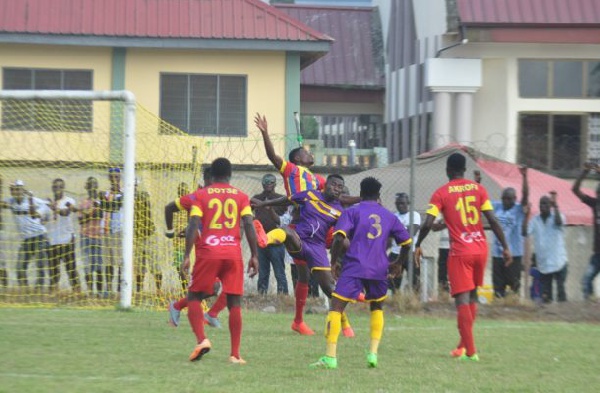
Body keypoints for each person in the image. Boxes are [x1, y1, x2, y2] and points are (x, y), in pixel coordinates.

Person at [414, 153, 511, 361]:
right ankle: (461, 346)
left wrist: (418, 243)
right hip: (480, 249)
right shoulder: (479, 189)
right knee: (472, 296)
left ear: (448, 170)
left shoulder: (441, 193)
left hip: (460, 252)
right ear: (464, 170)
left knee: (462, 300)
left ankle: (472, 352)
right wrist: (505, 246)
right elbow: (492, 220)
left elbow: (429, 223)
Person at [310, 177, 412, 369]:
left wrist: (333, 262)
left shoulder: (352, 211)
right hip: (379, 268)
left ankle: (330, 357)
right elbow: (406, 242)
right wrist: (398, 263)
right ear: (378, 195)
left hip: (354, 266)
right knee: (377, 308)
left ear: (361, 193)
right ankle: (372, 353)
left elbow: (339, 238)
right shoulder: (389, 216)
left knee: (336, 308)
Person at [252, 174, 355, 337]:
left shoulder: (340, 212)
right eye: (334, 185)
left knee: (330, 289)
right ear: (325, 185)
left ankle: (343, 322)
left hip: (318, 247)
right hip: (301, 239)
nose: (336, 189)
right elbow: (287, 200)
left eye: (340, 188)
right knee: (290, 239)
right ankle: (265, 239)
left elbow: (341, 238)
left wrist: (342, 256)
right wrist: (265, 204)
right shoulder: (309, 193)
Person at [182, 157, 258, 364]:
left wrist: (187, 254)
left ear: (212, 175)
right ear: (230, 174)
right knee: (234, 302)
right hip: (233, 254)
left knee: (194, 296)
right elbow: (249, 225)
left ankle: (202, 340)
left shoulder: (200, 195)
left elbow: (193, 224)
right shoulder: (242, 196)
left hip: (209, 252)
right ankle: (235, 354)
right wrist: (254, 255)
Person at [254, 113, 325, 335]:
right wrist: (265, 133)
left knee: (304, 275)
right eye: (306, 152)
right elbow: (273, 156)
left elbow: (332, 193)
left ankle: (298, 321)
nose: (310, 153)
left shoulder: (318, 179)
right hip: (300, 220)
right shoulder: (292, 170)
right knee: (321, 275)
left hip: (315, 225)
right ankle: (265, 238)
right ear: (297, 159)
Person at [165, 167, 227, 329]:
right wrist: (170, 231)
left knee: (216, 288)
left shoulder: (221, 197)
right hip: (206, 250)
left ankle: (189, 310)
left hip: (221, 246)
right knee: (212, 287)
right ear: (208, 180)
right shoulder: (194, 197)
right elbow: (169, 208)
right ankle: (188, 311)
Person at [0, 180, 50, 291]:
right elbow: (2, 204)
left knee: (40, 266)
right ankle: (25, 292)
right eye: (12, 189)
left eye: (18, 189)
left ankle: (38, 292)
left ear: (23, 189)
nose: (15, 192)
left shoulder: (34, 201)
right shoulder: (11, 201)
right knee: (20, 268)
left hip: (39, 236)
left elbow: (43, 209)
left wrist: (43, 216)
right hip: (26, 239)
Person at [491, 166, 529, 298]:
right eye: (504, 198)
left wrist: (524, 177)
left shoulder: (518, 209)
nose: (506, 201)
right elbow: (481, 201)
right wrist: (477, 184)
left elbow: (525, 196)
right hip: (497, 254)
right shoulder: (497, 206)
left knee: (514, 286)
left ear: (514, 198)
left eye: (509, 198)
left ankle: (512, 307)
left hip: (514, 254)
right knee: (498, 287)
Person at [522, 193, 568, 303]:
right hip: (544, 264)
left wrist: (556, 206)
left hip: (559, 262)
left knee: (561, 291)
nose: (543, 206)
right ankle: (549, 317)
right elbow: (524, 232)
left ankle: (564, 316)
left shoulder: (558, 216)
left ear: (550, 205)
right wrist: (526, 216)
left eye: (546, 204)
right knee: (546, 296)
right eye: (541, 204)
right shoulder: (535, 220)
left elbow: (559, 223)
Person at [252, 174, 288, 295]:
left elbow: (284, 219)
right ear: (262, 183)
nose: (268, 184)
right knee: (263, 272)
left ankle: (283, 297)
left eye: (271, 182)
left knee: (279, 272)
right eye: (266, 182)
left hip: (276, 241)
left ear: (275, 184)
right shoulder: (257, 198)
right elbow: (247, 212)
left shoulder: (281, 199)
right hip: (261, 241)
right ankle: (261, 297)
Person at [46, 178, 80, 292]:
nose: (57, 189)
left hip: (67, 241)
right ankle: (53, 295)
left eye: (60, 187)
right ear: (52, 188)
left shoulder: (69, 201)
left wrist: (55, 209)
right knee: (53, 272)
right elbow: (39, 216)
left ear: (63, 188)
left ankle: (77, 294)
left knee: (71, 270)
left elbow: (66, 213)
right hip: (53, 242)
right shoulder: (48, 203)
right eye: (55, 187)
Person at [572, 162, 600, 300]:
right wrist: (584, 172)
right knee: (586, 280)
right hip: (597, 254)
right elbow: (575, 190)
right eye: (598, 194)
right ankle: (590, 308)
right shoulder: (595, 204)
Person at [388, 192, 421, 293]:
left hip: (410, 252)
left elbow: (412, 232)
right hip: (395, 252)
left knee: (415, 281)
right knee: (393, 281)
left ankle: (414, 302)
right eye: (397, 203)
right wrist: (403, 230)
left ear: (408, 203)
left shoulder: (414, 215)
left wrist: (395, 231)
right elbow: (389, 235)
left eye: (402, 203)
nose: (400, 206)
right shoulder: (393, 216)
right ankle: (396, 301)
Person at [133, 179, 161, 293]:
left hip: (150, 236)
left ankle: (159, 290)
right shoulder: (131, 202)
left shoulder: (144, 198)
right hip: (139, 237)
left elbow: (146, 201)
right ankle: (139, 290)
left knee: (155, 265)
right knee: (139, 266)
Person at [78, 176, 104, 296]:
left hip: (98, 237)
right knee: (87, 266)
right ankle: (90, 292)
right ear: (86, 187)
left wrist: (87, 214)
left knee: (98, 266)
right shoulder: (83, 202)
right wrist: (90, 213)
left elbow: (99, 215)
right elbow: (80, 221)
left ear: (97, 187)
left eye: (95, 184)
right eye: (90, 184)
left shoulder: (101, 201)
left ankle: (99, 293)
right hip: (85, 237)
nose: (92, 186)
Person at [100, 167, 123, 295]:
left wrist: (104, 201)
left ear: (120, 178)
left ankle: (120, 289)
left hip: (118, 231)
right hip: (106, 231)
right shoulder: (106, 194)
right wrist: (103, 200)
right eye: (112, 177)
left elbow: (114, 206)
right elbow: (101, 207)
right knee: (108, 262)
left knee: (120, 262)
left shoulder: (124, 193)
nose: (114, 179)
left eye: (117, 177)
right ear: (109, 178)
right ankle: (108, 288)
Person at [431, 217, 450, 294]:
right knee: (442, 273)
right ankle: (443, 294)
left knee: (457, 273)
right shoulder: (440, 214)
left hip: (457, 246)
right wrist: (448, 222)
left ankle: (458, 294)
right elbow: (434, 227)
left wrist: (443, 224)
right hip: (443, 247)